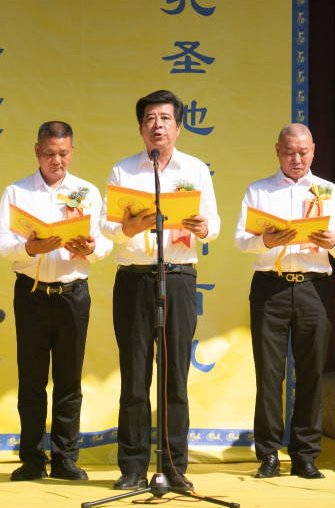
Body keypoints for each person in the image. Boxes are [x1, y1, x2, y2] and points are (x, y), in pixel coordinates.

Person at [99, 90, 219, 491]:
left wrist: (204, 229)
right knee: (135, 374)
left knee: (174, 376)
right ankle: (132, 465)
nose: (158, 126)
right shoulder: (123, 170)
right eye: (150, 118)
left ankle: (174, 464)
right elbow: (106, 225)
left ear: (178, 127)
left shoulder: (196, 169)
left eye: (165, 118)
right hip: (134, 278)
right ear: (140, 128)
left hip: (179, 277)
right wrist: (126, 228)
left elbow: (213, 223)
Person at [0, 121, 112, 482]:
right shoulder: (16, 192)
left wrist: (91, 249)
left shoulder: (87, 191)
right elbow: (1, 243)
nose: (56, 161)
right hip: (31, 292)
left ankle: (65, 458)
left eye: (63, 153)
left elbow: (106, 242)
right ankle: (31, 458)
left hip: (72, 294)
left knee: (68, 380)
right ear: (36, 151)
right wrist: (28, 247)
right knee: (30, 380)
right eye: (49, 154)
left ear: (72, 151)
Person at [234, 123, 335, 480]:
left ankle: (305, 454)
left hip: (314, 288)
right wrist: (266, 241)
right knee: (269, 373)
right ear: (277, 151)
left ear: (313, 150)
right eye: (289, 152)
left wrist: (331, 240)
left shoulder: (328, 190)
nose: (296, 159)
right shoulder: (259, 190)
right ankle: (268, 453)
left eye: (303, 152)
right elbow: (241, 239)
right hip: (271, 287)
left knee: (311, 372)